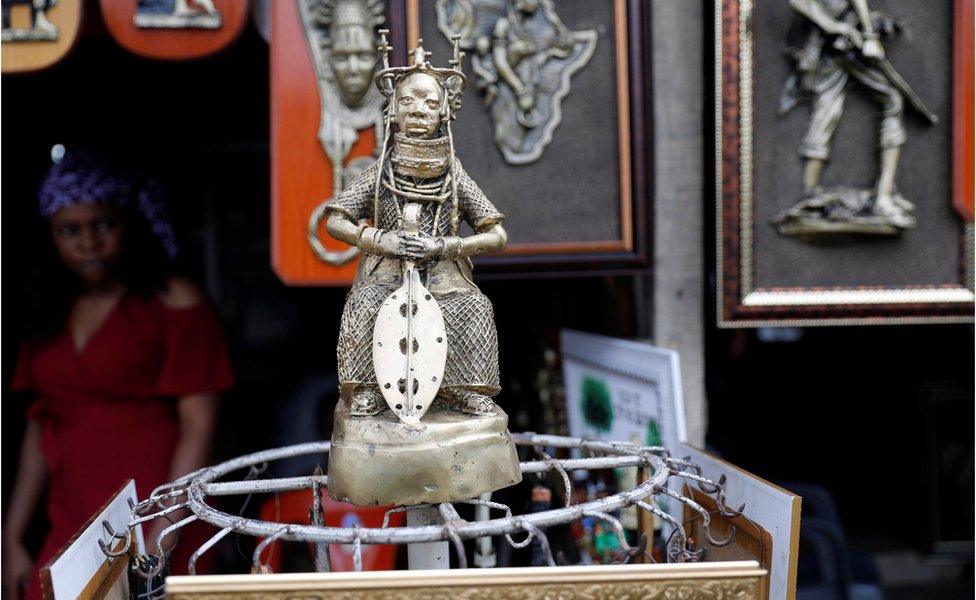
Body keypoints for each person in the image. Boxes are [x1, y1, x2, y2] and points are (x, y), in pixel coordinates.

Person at [1, 147, 234, 600]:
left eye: (103, 225)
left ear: (129, 224)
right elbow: (40, 423)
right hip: (71, 515)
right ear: (50, 237)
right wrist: (11, 535)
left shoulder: (173, 301)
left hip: (154, 506)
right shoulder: (48, 313)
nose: (88, 242)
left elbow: (198, 424)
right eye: (70, 230)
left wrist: (162, 531)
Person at [325, 44, 508, 418]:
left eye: (428, 101)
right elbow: (335, 220)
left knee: (471, 306)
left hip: (442, 270)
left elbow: (496, 234)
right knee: (365, 304)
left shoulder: (453, 173)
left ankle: (461, 391)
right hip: (387, 270)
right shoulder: (380, 171)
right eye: (407, 101)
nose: (418, 110)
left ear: (443, 110)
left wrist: (445, 246)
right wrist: (378, 240)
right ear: (393, 111)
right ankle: (371, 389)